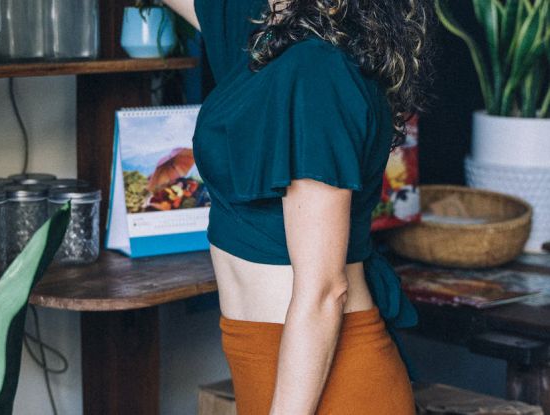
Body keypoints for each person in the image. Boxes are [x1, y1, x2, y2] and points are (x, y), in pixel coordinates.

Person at [161, 0, 434, 413]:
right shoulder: (267, 33)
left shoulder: (317, 68)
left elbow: (325, 291)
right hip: (270, 367)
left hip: (333, 385)